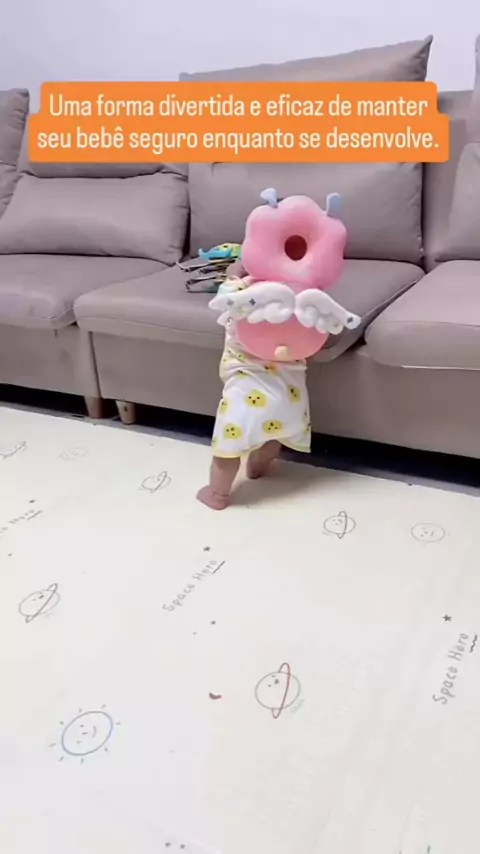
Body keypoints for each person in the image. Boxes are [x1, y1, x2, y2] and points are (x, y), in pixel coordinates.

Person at [196, 269, 311, 511]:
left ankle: (217, 494)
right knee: (274, 435)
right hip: (289, 396)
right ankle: (258, 467)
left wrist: (234, 274)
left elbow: (223, 297)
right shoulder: (300, 297)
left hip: (246, 395)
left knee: (228, 450)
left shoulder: (242, 292)